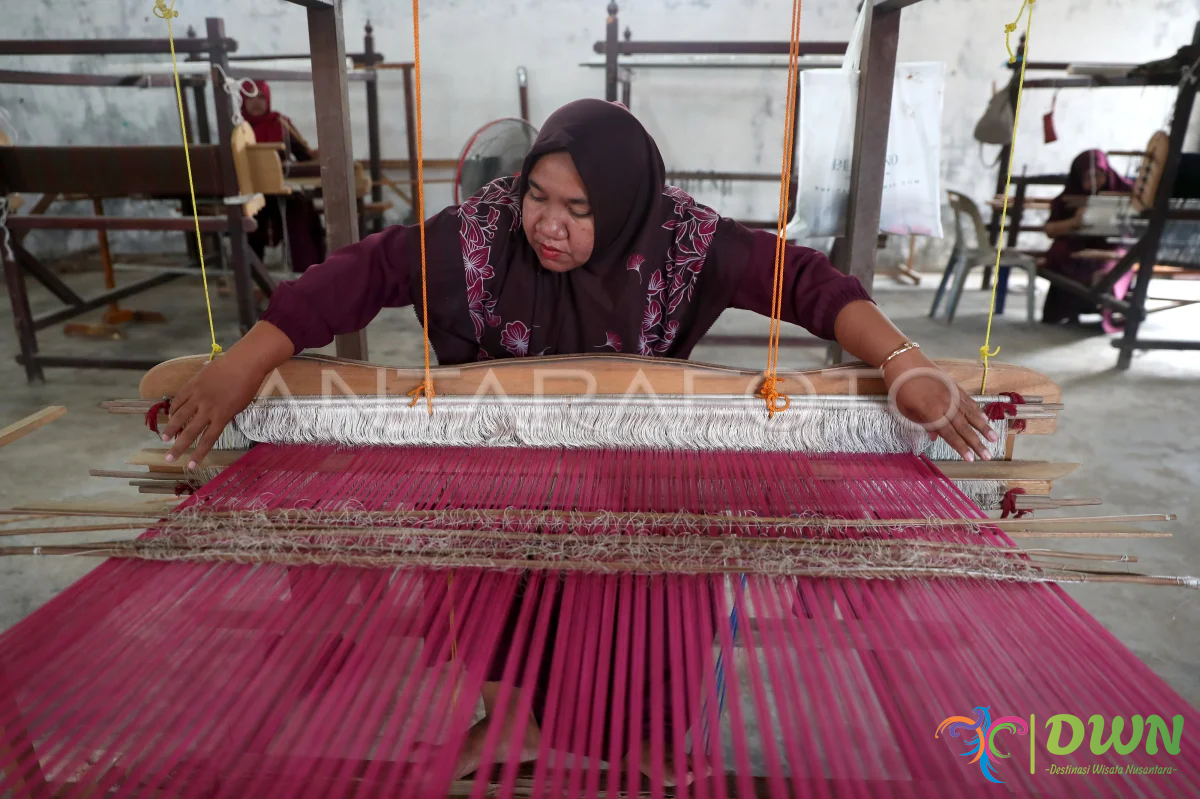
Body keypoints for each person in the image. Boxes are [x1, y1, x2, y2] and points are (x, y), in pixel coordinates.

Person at [160, 99, 997, 782]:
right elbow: (366, 273)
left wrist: (901, 361)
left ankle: (646, 737)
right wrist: (244, 363)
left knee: (668, 569)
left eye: (577, 208)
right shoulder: (482, 238)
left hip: (637, 461)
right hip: (502, 464)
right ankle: (511, 719)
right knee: (489, 554)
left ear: (626, 204)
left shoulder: (679, 242)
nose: (546, 226)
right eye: (537, 196)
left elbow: (807, 280)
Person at [1041, 149, 1135, 332]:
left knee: (1117, 263)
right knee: (1060, 252)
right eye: (1087, 178)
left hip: (1113, 245)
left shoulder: (1125, 191)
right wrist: (1074, 222)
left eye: (1099, 175)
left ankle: (1107, 300)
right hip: (1076, 246)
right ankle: (1072, 306)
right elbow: (1050, 230)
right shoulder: (1067, 197)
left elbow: (1140, 222)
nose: (1093, 182)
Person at [242, 80, 327, 273]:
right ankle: (253, 279)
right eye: (250, 97)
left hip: (283, 193)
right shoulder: (237, 129)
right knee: (247, 218)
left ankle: (308, 275)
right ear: (242, 100)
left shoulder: (280, 123)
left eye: (261, 97)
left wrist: (316, 155)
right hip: (252, 194)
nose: (256, 103)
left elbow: (303, 156)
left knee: (301, 214)